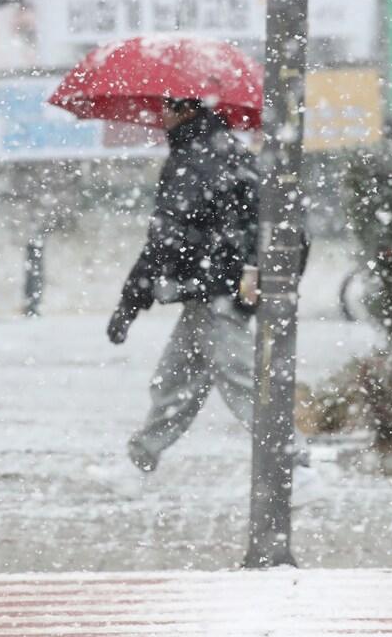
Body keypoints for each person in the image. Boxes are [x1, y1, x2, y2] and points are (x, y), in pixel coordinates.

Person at [107, 97, 312, 476]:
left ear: (189, 111)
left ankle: (295, 465)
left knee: (243, 383)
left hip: (217, 292)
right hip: (217, 290)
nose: (161, 114)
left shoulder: (192, 160)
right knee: (175, 380)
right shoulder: (231, 152)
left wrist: (129, 303)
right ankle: (140, 461)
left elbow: (165, 240)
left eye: (169, 106)